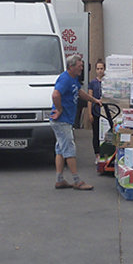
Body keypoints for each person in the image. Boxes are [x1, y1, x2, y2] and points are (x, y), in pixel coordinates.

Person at [50, 55, 102, 190]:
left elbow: (80, 92)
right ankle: (77, 181)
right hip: (62, 120)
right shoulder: (65, 79)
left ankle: (59, 180)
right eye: (79, 66)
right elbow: (55, 94)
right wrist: (59, 109)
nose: (81, 68)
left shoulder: (73, 79)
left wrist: (94, 100)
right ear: (71, 66)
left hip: (65, 120)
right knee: (69, 149)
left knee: (60, 149)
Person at [86, 59, 106, 164]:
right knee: (96, 134)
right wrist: (89, 113)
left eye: (101, 68)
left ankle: (106, 154)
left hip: (105, 113)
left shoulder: (107, 82)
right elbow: (89, 98)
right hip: (96, 111)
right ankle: (97, 155)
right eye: (98, 69)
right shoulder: (92, 83)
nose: (100, 71)